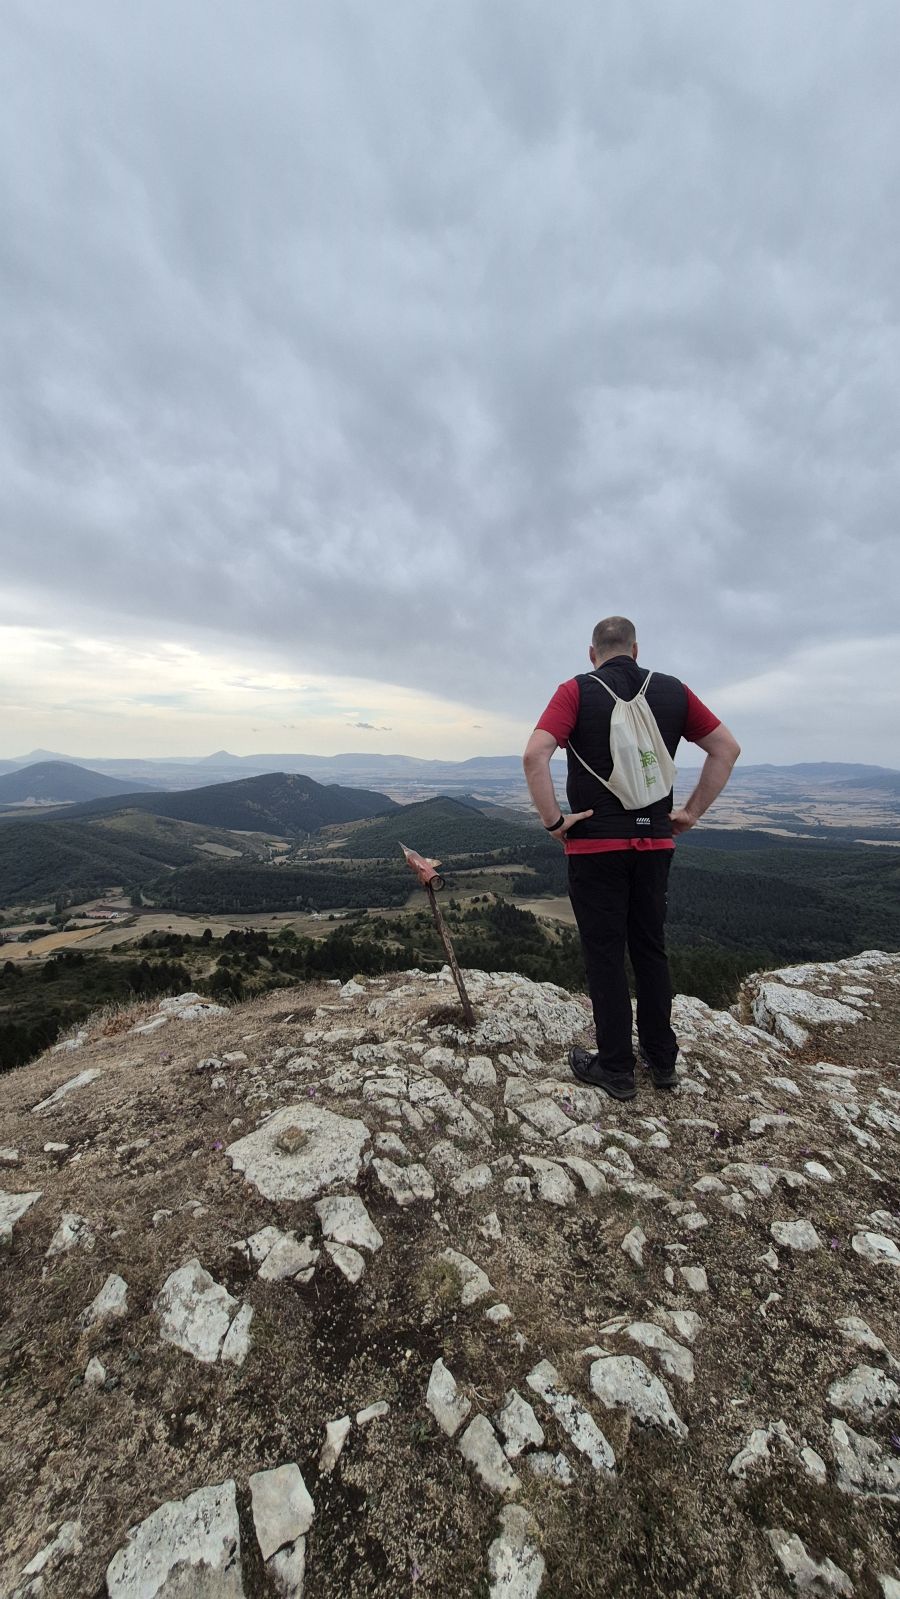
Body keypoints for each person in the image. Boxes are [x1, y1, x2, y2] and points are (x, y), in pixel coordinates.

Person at [523, 616, 740, 1101]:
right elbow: (726, 748)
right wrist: (689, 814)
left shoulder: (576, 691)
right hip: (656, 844)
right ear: (636, 650)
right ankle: (662, 1062)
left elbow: (535, 755)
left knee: (605, 955)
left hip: (596, 847)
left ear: (592, 652)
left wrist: (555, 823)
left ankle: (617, 1068)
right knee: (650, 949)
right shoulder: (673, 691)